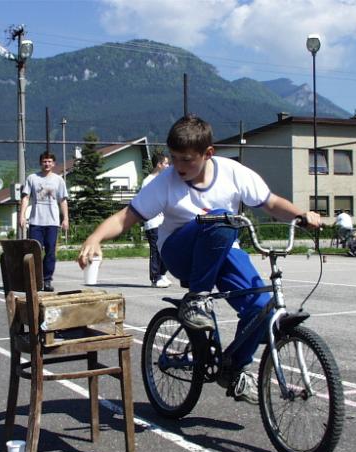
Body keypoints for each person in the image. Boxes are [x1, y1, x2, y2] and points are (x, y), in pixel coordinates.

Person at [77, 115, 320, 404]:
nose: (178, 166)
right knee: (220, 218)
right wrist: (95, 238)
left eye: (187, 160)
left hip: (222, 247)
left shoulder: (233, 173)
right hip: (179, 251)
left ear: (208, 153)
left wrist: (301, 215)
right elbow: (127, 217)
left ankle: (234, 369)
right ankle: (197, 299)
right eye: (173, 158)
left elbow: (271, 203)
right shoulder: (165, 182)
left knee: (261, 308)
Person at [19, 151, 69, 292]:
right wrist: (22, 216)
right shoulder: (32, 178)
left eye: (49, 161)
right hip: (36, 222)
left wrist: (65, 218)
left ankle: (47, 280)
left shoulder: (58, 180)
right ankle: (34, 280)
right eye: (44, 161)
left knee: (50, 252)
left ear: (53, 164)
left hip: (52, 223)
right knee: (34, 252)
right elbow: (25, 198)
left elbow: (63, 200)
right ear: (41, 163)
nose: (47, 164)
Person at [142, 152, 171, 288]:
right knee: (155, 251)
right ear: (159, 165)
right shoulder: (148, 181)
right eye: (166, 163)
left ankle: (162, 274)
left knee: (166, 249)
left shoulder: (164, 181)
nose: (168, 166)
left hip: (164, 222)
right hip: (153, 222)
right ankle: (155, 278)